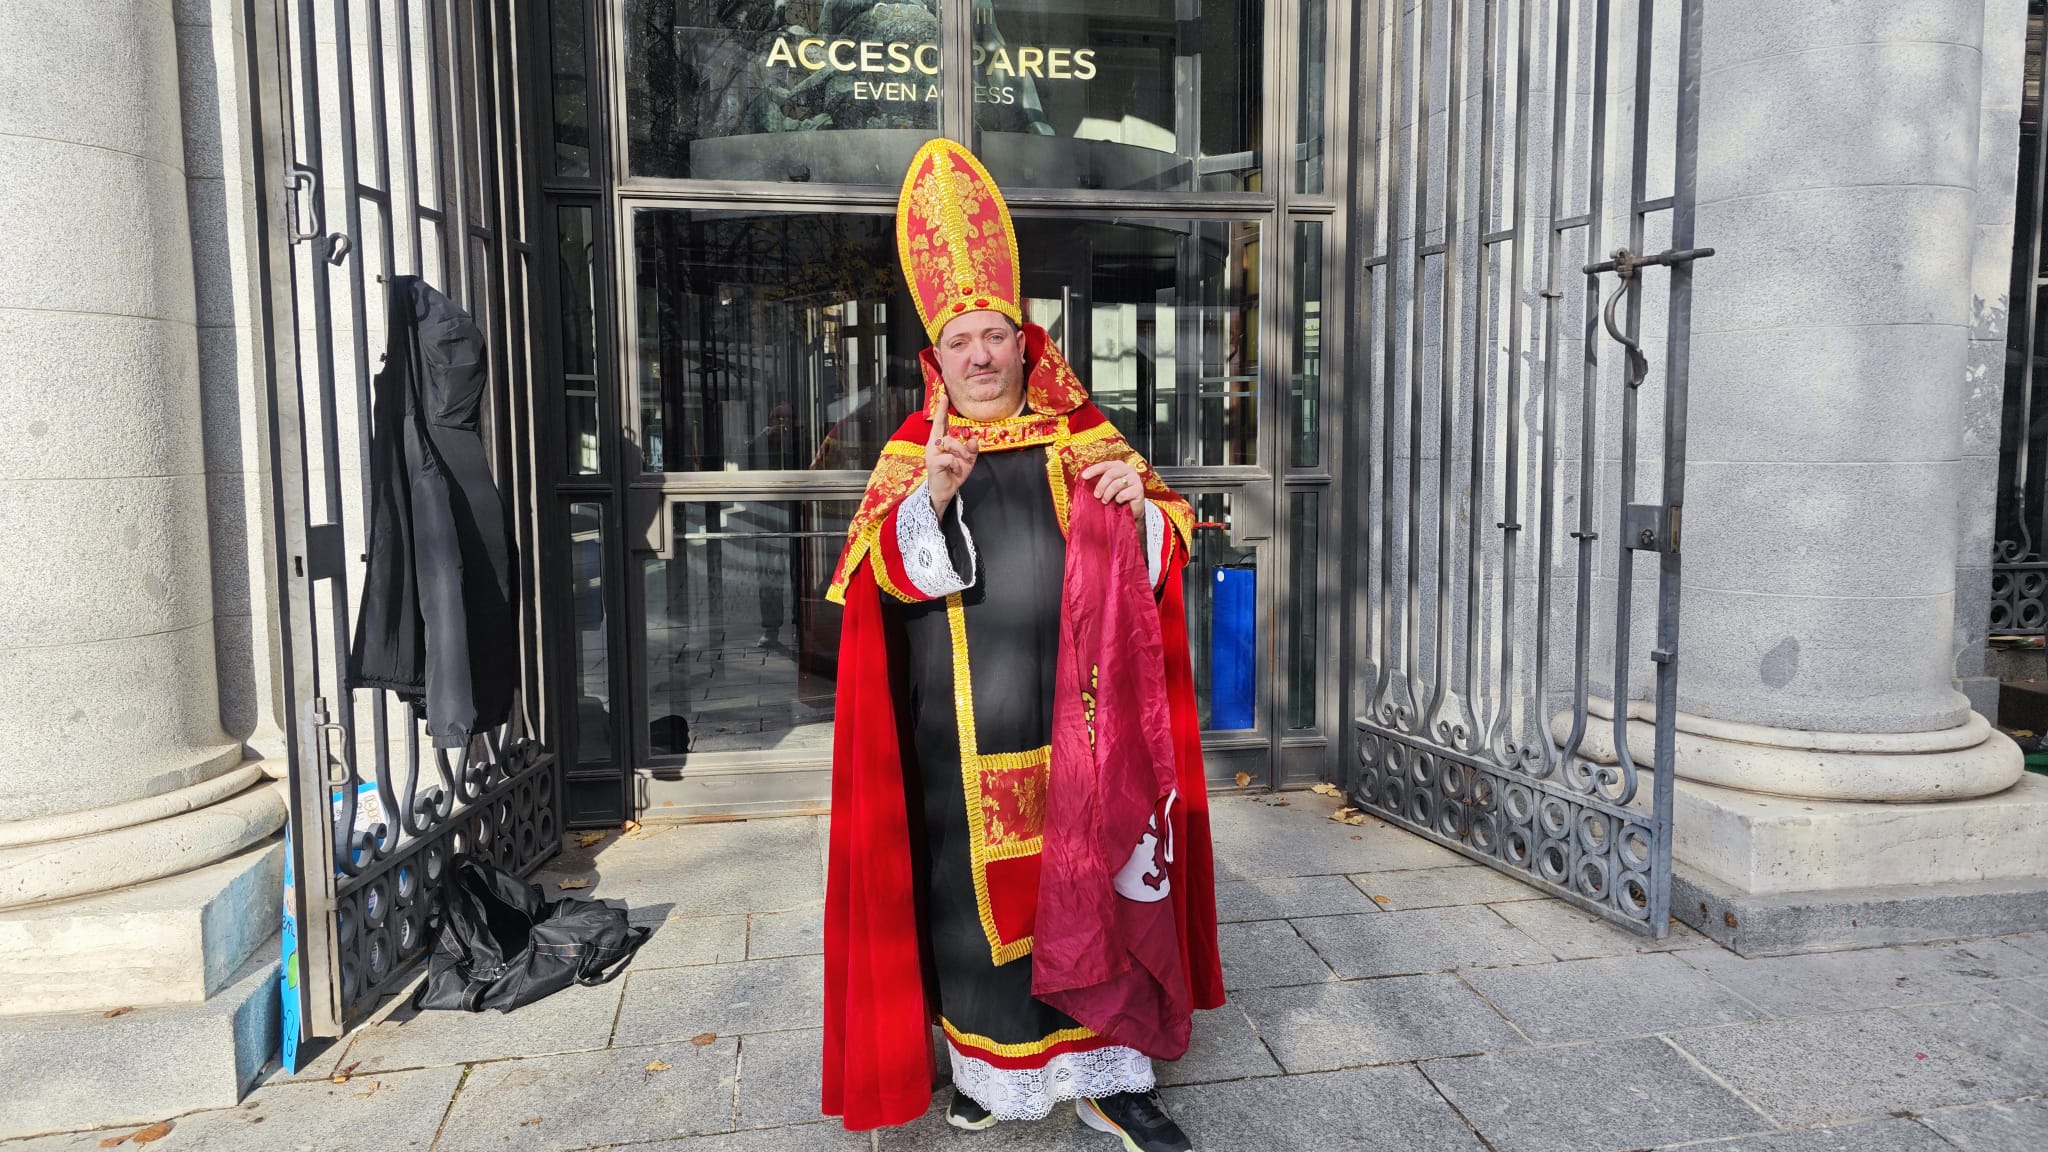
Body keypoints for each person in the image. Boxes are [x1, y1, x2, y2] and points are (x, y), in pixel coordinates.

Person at [819, 139, 1224, 1151]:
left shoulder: (1084, 436)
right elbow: (877, 579)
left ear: (1023, 342)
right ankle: (990, 1069)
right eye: (960, 341)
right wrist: (932, 500)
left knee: (1099, 879)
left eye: (994, 335)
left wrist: (1138, 507)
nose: (980, 356)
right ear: (937, 357)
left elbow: (1166, 543)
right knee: (976, 902)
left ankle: (1113, 1080)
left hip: (1090, 725)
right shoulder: (914, 453)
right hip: (964, 738)